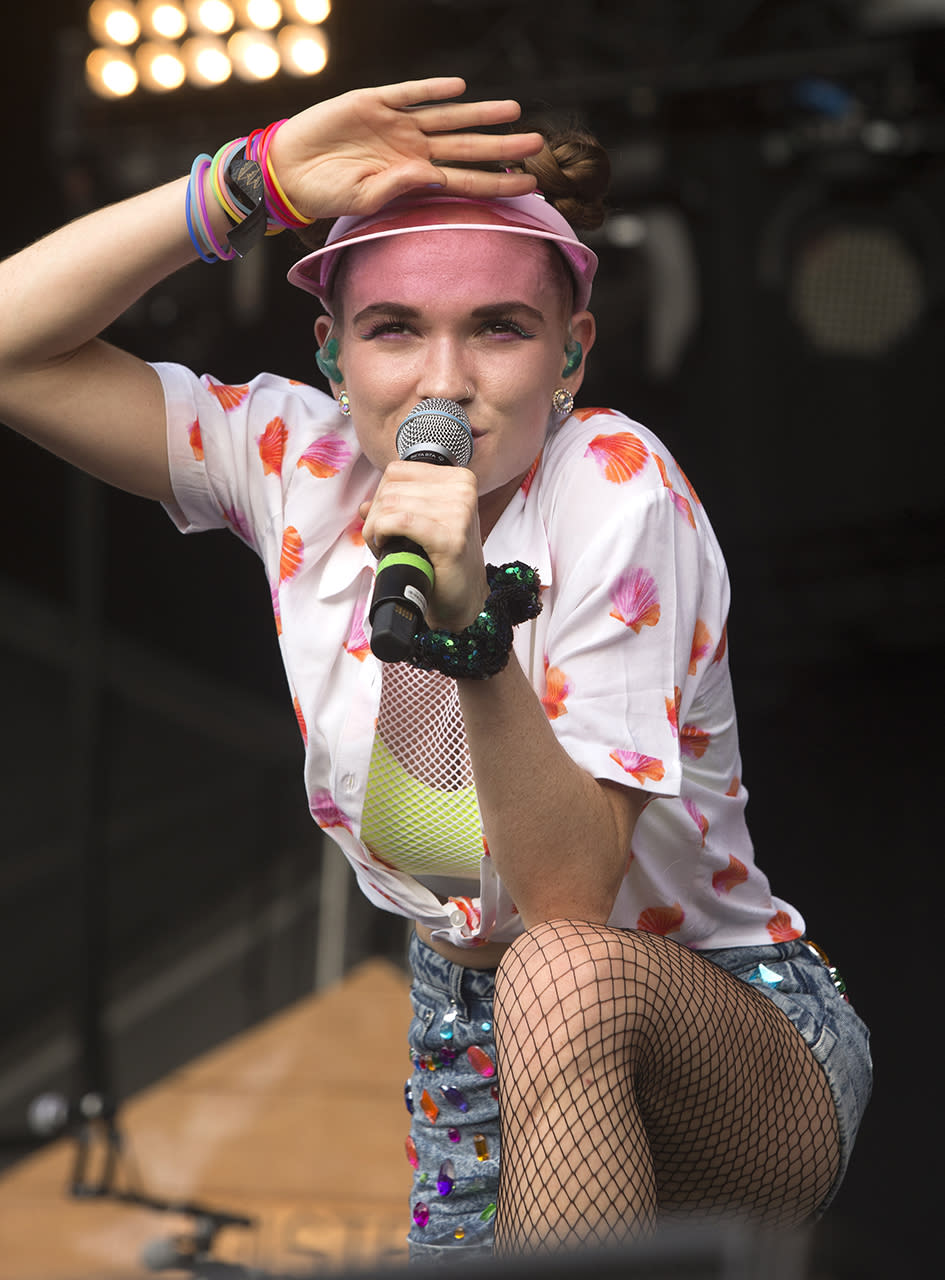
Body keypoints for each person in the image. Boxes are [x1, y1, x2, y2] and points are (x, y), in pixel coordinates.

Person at [0, 77, 871, 1262]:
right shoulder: (294, 459)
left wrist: (472, 638)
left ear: (572, 355)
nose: (443, 381)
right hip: (470, 1045)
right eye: (393, 328)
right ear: (332, 352)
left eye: (500, 329)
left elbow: (566, 904)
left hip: (719, 1023)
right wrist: (246, 182)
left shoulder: (613, 484)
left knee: (559, 976)